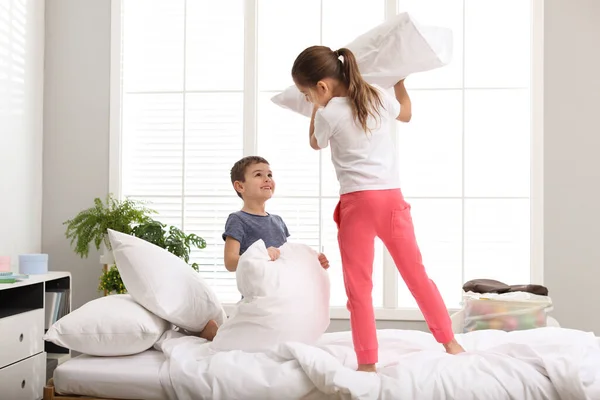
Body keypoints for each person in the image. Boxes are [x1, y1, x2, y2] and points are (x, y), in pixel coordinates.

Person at [291, 45, 465, 373]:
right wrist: (399, 82)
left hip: (358, 205)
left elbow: (315, 142)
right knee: (417, 276)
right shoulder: (377, 96)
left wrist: (315, 107)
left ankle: (368, 362)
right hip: (392, 201)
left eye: (307, 94)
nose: (308, 99)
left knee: (359, 287)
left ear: (322, 88)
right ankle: (450, 342)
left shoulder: (328, 113)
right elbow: (407, 112)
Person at [197, 156, 331, 342]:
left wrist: (313, 263)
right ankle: (213, 332)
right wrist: (261, 254)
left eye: (269, 174)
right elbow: (230, 262)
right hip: (257, 298)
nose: (267, 178)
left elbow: (288, 260)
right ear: (240, 186)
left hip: (281, 296)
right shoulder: (238, 220)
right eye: (258, 175)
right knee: (242, 339)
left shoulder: (277, 221)